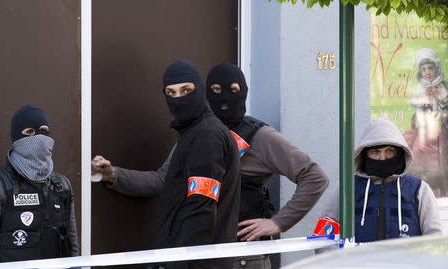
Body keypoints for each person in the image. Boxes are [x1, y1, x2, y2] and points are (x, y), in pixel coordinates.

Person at [92, 63, 329, 268]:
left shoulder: (259, 136)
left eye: (233, 91)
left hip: (242, 255)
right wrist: (113, 174)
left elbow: (315, 177)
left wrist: (278, 222)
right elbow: (163, 180)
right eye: (215, 90)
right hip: (205, 254)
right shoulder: (197, 134)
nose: (224, 98)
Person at [93, 60, 240, 269]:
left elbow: (201, 210)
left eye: (186, 90)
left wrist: (176, 264)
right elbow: (162, 179)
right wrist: (112, 175)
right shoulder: (192, 134)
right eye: (171, 93)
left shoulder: (206, 136)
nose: (179, 99)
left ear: (200, 89)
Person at [323, 118, 442, 243]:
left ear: (400, 153)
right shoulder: (347, 188)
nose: (382, 158)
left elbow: (435, 239)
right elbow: (324, 237)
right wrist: (342, 261)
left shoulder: (418, 190)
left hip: (406, 262)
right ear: (364, 154)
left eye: (390, 151)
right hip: (357, 262)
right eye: (375, 152)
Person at [0, 105, 79, 262]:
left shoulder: (61, 184)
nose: (39, 138)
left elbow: (72, 242)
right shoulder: (1, 184)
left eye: (44, 130)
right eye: (29, 132)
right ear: (16, 138)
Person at [404, 48, 448, 197]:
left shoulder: (443, 87)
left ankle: (441, 188)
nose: (427, 72)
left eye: (430, 68)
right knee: (418, 151)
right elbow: (419, 110)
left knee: (441, 153)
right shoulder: (419, 89)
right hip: (424, 129)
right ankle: (421, 186)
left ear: (436, 69)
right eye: (423, 69)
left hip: (439, 128)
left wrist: (442, 111)